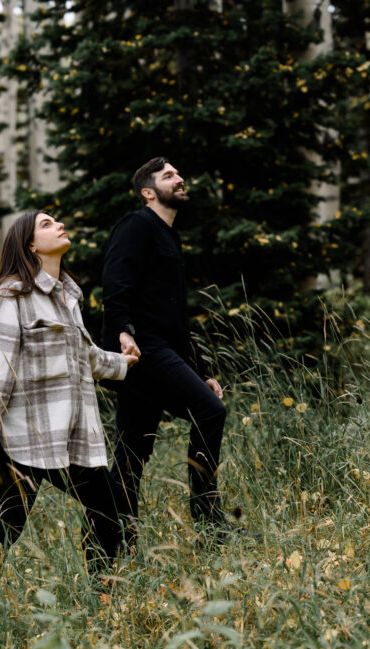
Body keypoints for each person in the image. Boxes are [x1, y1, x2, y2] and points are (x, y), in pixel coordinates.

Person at [0, 209, 139, 583]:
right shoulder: (10, 296)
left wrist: (122, 364)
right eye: (46, 224)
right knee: (3, 529)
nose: (59, 225)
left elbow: (85, 357)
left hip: (69, 438)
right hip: (23, 439)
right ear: (30, 245)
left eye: (55, 221)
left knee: (112, 511)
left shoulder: (67, 297)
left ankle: (104, 590)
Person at [102, 157, 233, 545]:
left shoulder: (169, 235)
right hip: (143, 349)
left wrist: (201, 370)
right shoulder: (136, 225)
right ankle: (209, 525)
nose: (179, 179)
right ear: (148, 191)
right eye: (168, 176)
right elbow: (115, 281)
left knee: (131, 452)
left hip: (159, 348)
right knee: (210, 412)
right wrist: (123, 332)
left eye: (178, 174)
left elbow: (174, 316)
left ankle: (111, 540)